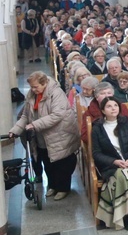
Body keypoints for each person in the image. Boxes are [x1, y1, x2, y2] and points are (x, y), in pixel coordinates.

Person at [8, 72, 79, 201]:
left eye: (36, 87)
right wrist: (15, 130)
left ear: (44, 83)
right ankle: (52, 185)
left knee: (61, 162)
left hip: (59, 134)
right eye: (31, 87)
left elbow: (57, 115)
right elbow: (25, 115)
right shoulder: (32, 94)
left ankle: (63, 188)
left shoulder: (56, 93)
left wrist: (34, 124)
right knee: (47, 160)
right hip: (42, 134)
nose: (33, 90)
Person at [91, 97, 128, 230]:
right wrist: (114, 161)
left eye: (115, 105)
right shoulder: (97, 128)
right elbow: (96, 153)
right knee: (124, 176)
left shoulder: (126, 123)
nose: (113, 108)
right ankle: (127, 215)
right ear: (102, 110)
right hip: (111, 165)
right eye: (109, 106)